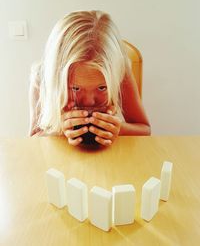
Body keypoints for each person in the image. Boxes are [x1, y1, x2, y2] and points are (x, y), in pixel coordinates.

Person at [29, 10, 151, 146]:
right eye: (75, 88)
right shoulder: (42, 77)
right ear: (56, 77)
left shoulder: (118, 71)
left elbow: (144, 129)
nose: (89, 101)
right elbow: (34, 138)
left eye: (102, 87)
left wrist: (119, 128)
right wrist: (59, 129)